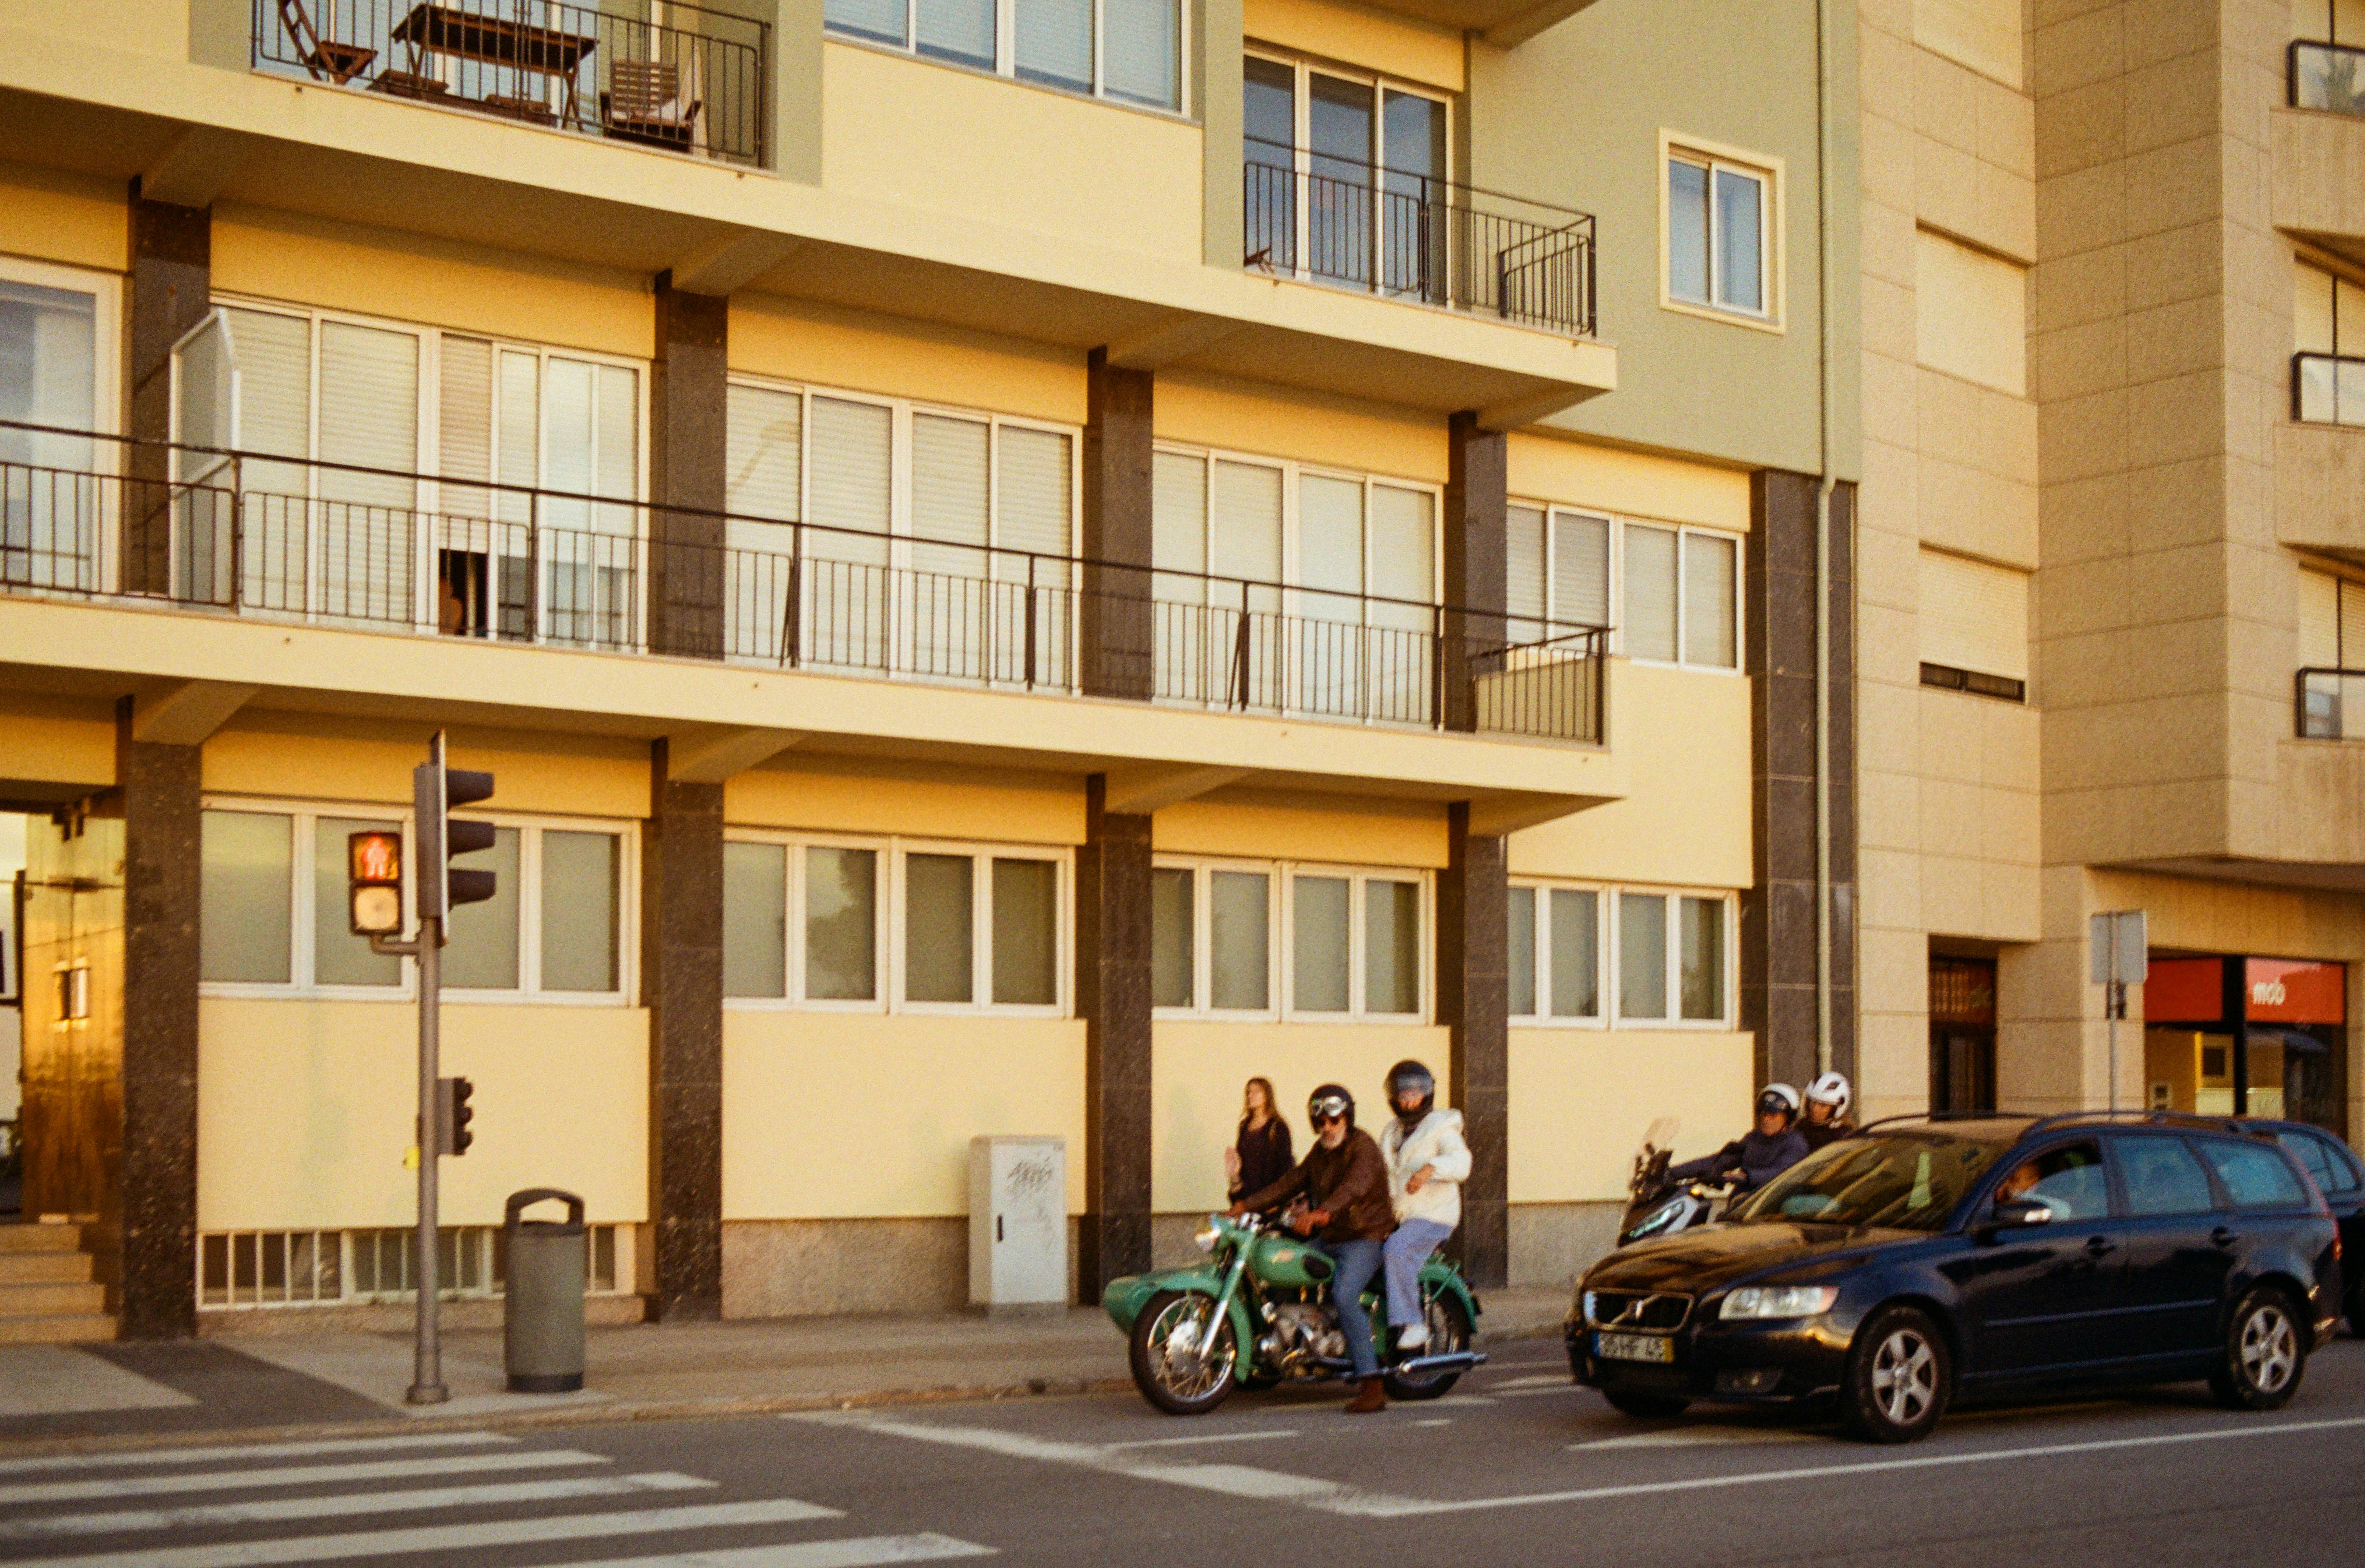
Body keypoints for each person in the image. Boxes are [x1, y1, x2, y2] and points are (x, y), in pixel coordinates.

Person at [1231, 1083, 1395, 1414]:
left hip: (1365, 1236)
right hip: (1332, 1235)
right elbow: (1289, 1183)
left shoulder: (1363, 1147)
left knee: (1346, 1294)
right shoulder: (1320, 1153)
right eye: (1320, 1122)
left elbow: (1355, 1187)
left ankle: (1372, 1384)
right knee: (1279, 1266)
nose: (1327, 1128)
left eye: (1333, 1121)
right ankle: (1282, 1351)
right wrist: (1246, 1205)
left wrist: (1323, 1213)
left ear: (1347, 1118)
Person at [1377, 1059, 1470, 1353]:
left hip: (1434, 1217)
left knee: (1397, 1249)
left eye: (1415, 1092)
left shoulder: (1443, 1127)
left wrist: (1430, 1169)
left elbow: (1462, 1163)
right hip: (1402, 1216)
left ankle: (1413, 1323)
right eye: (1402, 1093)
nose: (1409, 1099)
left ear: (1427, 1093)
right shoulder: (1391, 1133)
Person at [1670, 1084, 1809, 1193]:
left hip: (1769, 1208)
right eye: (1764, 1115)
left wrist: (1742, 1177)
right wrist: (1672, 1172)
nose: (1767, 1120)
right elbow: (1720, 1161)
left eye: (1773, 1116)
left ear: (1789, 1117)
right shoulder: (1754, 1139)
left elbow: (1779, 1173)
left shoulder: (1795, 1144)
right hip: (1742, 1204)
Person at [1224, 1077, 1294, 1208]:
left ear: (1267, 1096)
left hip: (1270, 1198)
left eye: (1256, 1092)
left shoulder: (1278, 1127)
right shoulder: (1244, 1126)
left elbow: (1285, 1165)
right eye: (1249, 1092)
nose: (1251, 1096)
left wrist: (1278, 1200)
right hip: (1247, 1195)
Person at [1799, 1071, 1856, 1152]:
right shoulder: (1800, 1128)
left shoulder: (1844, 1138)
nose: (1815, 1109)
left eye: (1823, 1106)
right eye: (1813, 1102)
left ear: (1836, 1109)